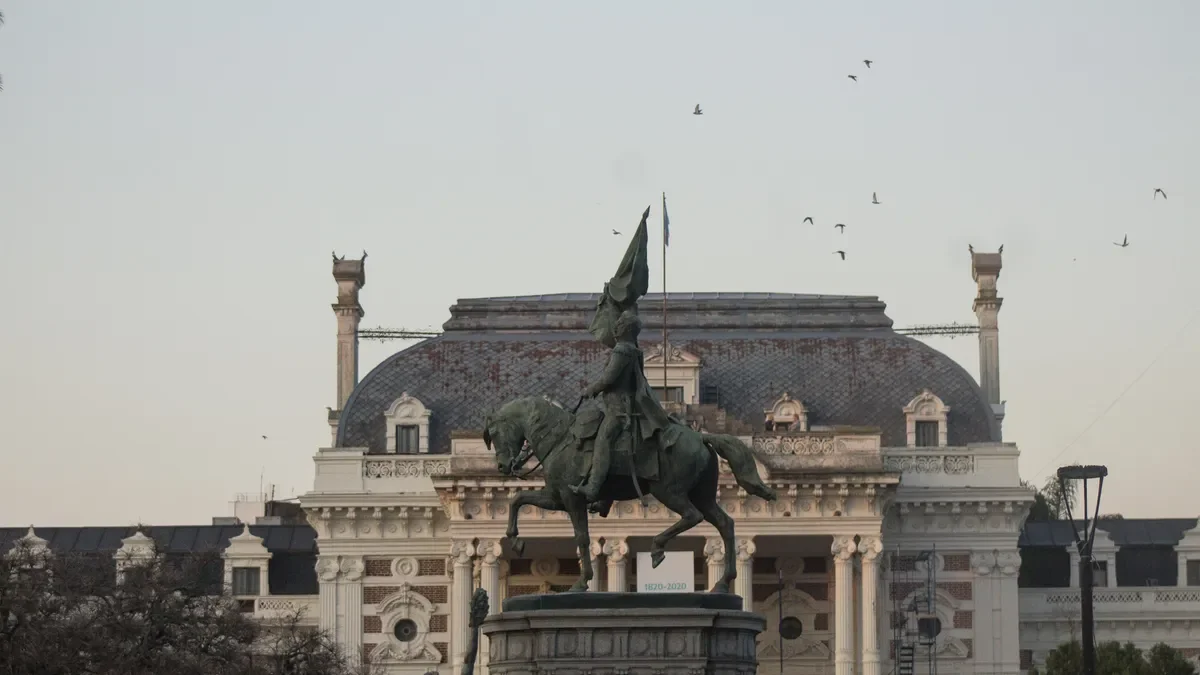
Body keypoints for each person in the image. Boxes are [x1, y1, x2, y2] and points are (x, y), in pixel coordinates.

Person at [571, 309, 678, 502]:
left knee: (603, 441)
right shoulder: (632, 350)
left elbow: (609, 378)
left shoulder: (622, 350)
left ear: (626, 329)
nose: (616, 326)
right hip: (621, 406)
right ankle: (606, 498)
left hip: (619, 409)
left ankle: (593, 487)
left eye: (620, 324)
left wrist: (591, 389)